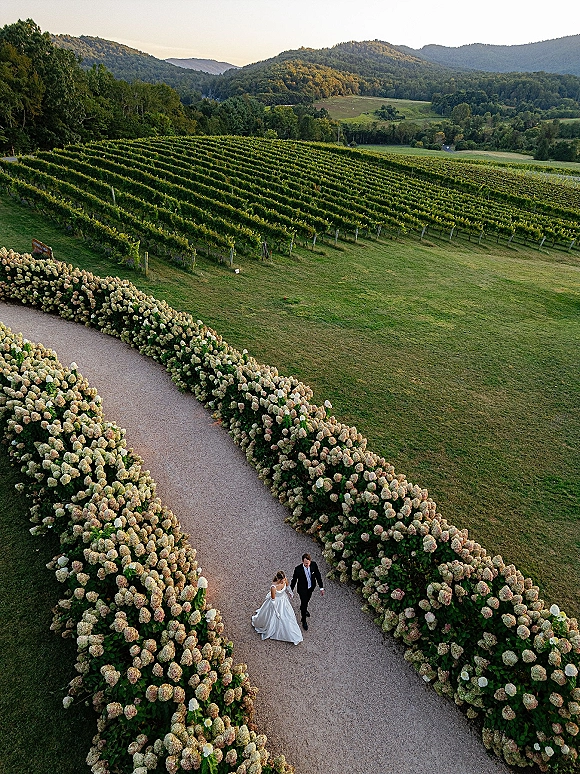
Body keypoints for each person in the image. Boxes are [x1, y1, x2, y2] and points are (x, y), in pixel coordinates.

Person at [251, 570, 303, 645]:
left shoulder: (284, 580)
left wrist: (290, 592)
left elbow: (288, 586)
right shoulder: (273, 587)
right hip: (276, 603)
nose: (283, 582)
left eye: (284, 580)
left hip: (284, 600)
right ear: (278, 579)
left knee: (287, 616)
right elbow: (273, 601)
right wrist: (276, 612)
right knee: (272, 617)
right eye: (281, 580)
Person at [290, 553, 324, 630]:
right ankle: (304, 620)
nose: (307, 565)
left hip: (311, 588)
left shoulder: (314, 565)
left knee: (306, 601)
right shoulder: (298, 569)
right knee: (304, 603)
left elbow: (318, 576)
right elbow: (294, 580)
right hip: (302, 590)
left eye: (308, 564)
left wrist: (321, 587)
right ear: (302, 561)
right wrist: (291, 590)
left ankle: (303, 608)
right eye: (305, 564)